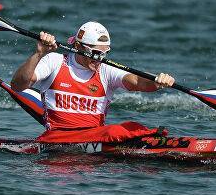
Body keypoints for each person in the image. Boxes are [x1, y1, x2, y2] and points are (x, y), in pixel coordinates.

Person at [10, 21, 175, 143]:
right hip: (57, 140)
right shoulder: (54, 61)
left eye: (105, 53)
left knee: (129, 127)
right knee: (115, 131)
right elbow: (18, 85)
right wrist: (39, 54)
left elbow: (137, 81)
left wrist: (156, 81)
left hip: (95, 139)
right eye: (95, 52)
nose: (100, 58)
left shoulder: (105, 69)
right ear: (78, 46)